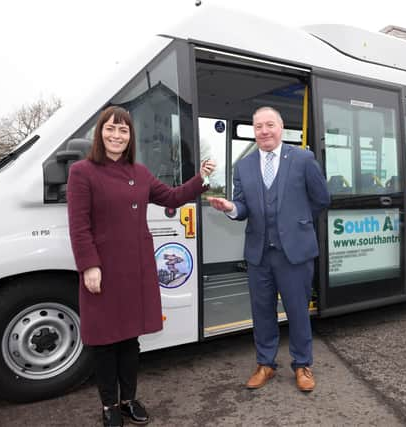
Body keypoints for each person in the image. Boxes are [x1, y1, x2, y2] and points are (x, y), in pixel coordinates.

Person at [67, 106, 215, 427]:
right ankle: (109, 406)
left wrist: (201, 178)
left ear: (130, 136)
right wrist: (89, 266)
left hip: (136, 269)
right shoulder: (82, 171)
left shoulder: (140, 172)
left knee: (129, 340)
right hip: (103, 271)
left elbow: (174, 198)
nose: (117, 136)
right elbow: (79, 226)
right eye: (111, 129)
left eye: (123, 130)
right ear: (100, 132)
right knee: (106, 342)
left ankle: (128, 400)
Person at [207, 106, 330, 392]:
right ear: (254, 130)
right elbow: (243, 206)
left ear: (281, 127)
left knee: (298, 311)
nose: (264, 131)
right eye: (259, 126)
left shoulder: (303, 158)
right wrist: (230, 208)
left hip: (294, 253)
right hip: (259, 254)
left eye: (269, 125)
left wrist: (297, 221)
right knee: (261, 311)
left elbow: (321, 199)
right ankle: (265, 364)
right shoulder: (244, 166)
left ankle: (302, 365)